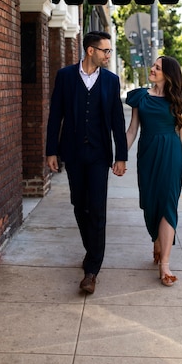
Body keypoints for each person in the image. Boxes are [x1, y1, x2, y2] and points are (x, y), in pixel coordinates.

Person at [46, 30, 127, 295]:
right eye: (106, 51)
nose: (108, 55)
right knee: (79, 206)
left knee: (97, 208)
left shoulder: (111, 81)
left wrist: (121, 156)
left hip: (99, 154)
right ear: (90, 50)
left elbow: (117, 120)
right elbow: (55, 115)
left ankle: (92, 270)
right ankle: (91, 250)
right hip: (73, 153)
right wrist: (51, 151)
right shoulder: (66, 76)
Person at [126, 56, 182, 286]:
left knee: (167, 205)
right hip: (147, 156)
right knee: (150, 203)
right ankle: (157, 239)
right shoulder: (140, 97)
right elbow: (132, 130)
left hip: (171, 155)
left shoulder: (178, 101)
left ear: (168, 74)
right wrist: (119, 156)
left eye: (158, 68)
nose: (153, 70)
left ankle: (165, 264)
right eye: (153, 66)